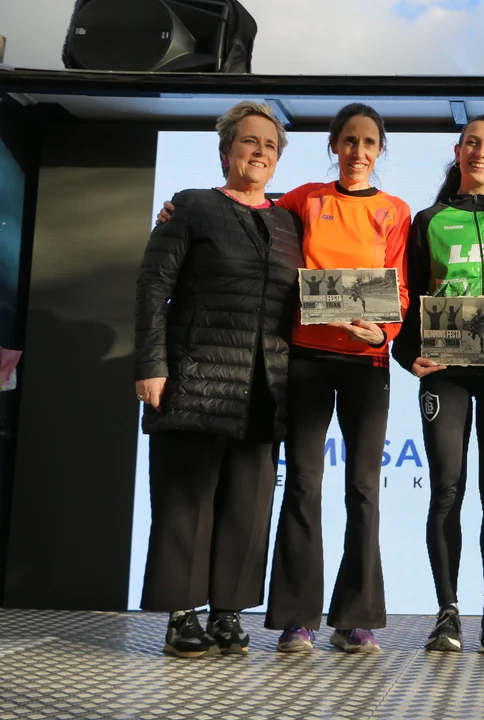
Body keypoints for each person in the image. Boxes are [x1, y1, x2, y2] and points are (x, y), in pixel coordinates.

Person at [156, 103, 410, 654]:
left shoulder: (396, 210)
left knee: (364, 490)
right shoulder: (302, 200)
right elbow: (250, 211)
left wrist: (382, 333)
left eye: (369, 142)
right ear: (333, 145)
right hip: (305, 360)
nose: (358, 151)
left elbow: (401, 289)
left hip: (366, 366)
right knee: (302, 485)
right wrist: (177, 210)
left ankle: (355, 618)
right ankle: (297, 619)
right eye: (348, 140)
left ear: (380, 150)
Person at [135, 101, 304, 658]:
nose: (260, 152)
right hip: (194, 378)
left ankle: (229, 612)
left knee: (248, 507)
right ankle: (183, 614)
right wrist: (151, 365)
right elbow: (152, 289)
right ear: (226, 150)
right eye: (250, 141)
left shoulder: (288, 223)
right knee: (185, 502)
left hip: (264, 387)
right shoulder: (191, 206)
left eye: (270, 146)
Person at [392, 115, 484, 655]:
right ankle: (447, 612)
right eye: (473, 142)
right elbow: (407, 296)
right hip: (446, 372)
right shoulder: (429, 220)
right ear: (458, 150)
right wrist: (407, 354)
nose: (481, 152)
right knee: (447, 487)